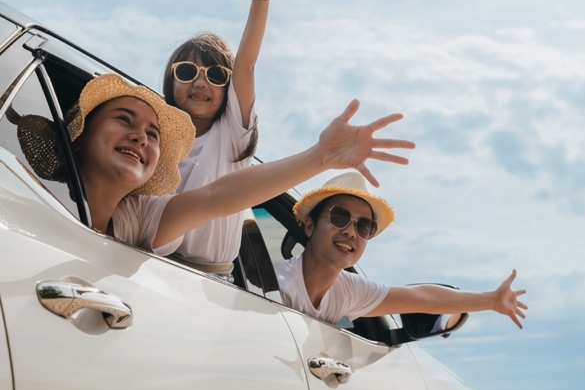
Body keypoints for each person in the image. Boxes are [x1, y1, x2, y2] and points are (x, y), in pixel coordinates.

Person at [28, 73, 413, 258]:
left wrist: (320, 158)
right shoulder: (24, 195)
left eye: (153, 133)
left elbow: (217, 197)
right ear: (78, 136)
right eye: (124, 120)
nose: (141, 137)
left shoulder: (140, 218)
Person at [275, 172, 528, 329]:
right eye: (340, 217)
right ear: (309, 225)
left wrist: (492, 300)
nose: (351, 232)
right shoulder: (276, 284)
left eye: (364, 226)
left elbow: (424, 298)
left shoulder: (348, 290)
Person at [160, 0, 277, 280]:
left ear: (229, 89)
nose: (200, 81)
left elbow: (245, 65)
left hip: (210, 281)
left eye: (215, 74)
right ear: (171, 82)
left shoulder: (231, 135)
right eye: (187, 71)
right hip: (148, 266)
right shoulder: (153, 138)